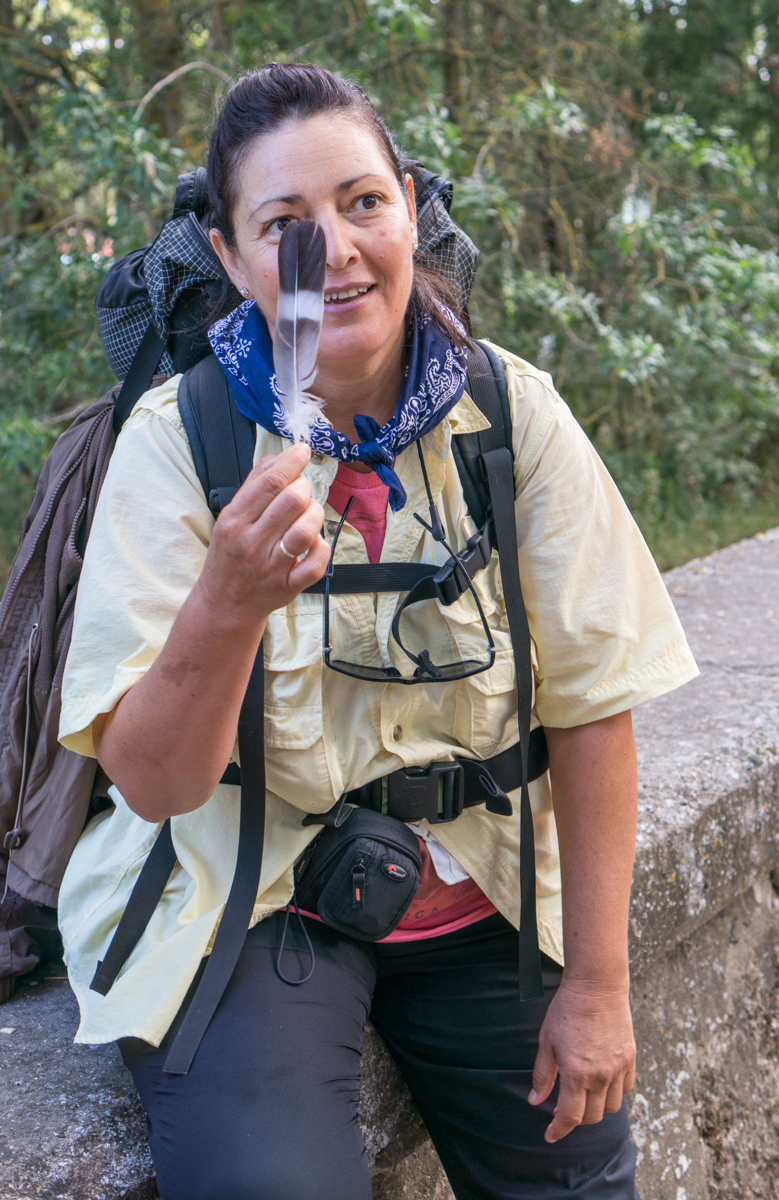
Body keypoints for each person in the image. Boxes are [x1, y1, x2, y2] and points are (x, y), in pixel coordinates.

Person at [57, 63, 698, 1200]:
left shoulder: (508, 414)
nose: (335, 251)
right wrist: (228, 602)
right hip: (246, 891)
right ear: (231, 258)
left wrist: (599, 982)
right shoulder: (181, 443)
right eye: (284, 225)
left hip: (486, 887)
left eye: (362, 203)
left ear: (409, 205)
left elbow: (595, 703)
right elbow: (153, 783)